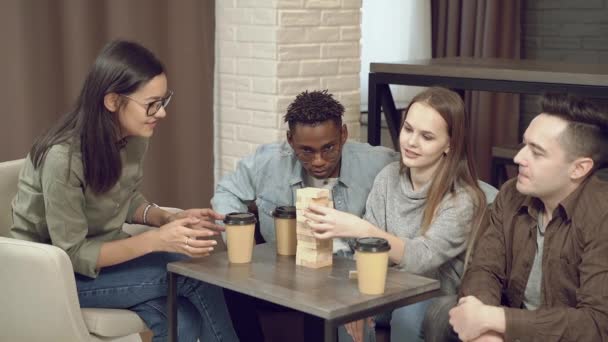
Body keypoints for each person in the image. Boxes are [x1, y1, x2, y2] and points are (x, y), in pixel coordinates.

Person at [10, 40, 238, 342]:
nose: (161, 114)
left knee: (182, 321)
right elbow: (73, 253)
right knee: (197, 277)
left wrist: (163, 219)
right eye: (151, 104)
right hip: (50, 277)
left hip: (103, 262)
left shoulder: (132, 137)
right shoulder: (62, 158)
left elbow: (123, 197)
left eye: (163, 101)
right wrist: (154, 241)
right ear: (113, 101)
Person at [304, 87, 490, 342]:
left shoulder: (461, 199)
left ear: (449, 144)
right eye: (408, 129)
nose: (411, 142)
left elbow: (421, 259)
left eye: (427, 136)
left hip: (433, 295)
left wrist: (363, 230)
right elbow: (365, 252)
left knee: (406, 312)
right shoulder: (388, 177)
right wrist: (357, 302)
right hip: (388, 287)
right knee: (343, 306)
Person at [211, 89, 398, 341]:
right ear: (290, 140)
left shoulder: (378, 163)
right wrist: (243, 245)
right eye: (307, 151)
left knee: (319, 306)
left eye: (329, 148)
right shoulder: (268, 161)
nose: (319, 160)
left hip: (351, 280)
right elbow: (226, 192)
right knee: (228, 289)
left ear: (343, 135)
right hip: (292, 277)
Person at [449, 93, 608, 342]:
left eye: (537, 152)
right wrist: (488, 334)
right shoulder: (511, 194)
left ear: (579, 168)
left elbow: (597, 323)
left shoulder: (602, 215)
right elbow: (483, 270)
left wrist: (493, 319)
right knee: (439, 314)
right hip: (509, 334)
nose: (518, 158)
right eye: (524, 144)